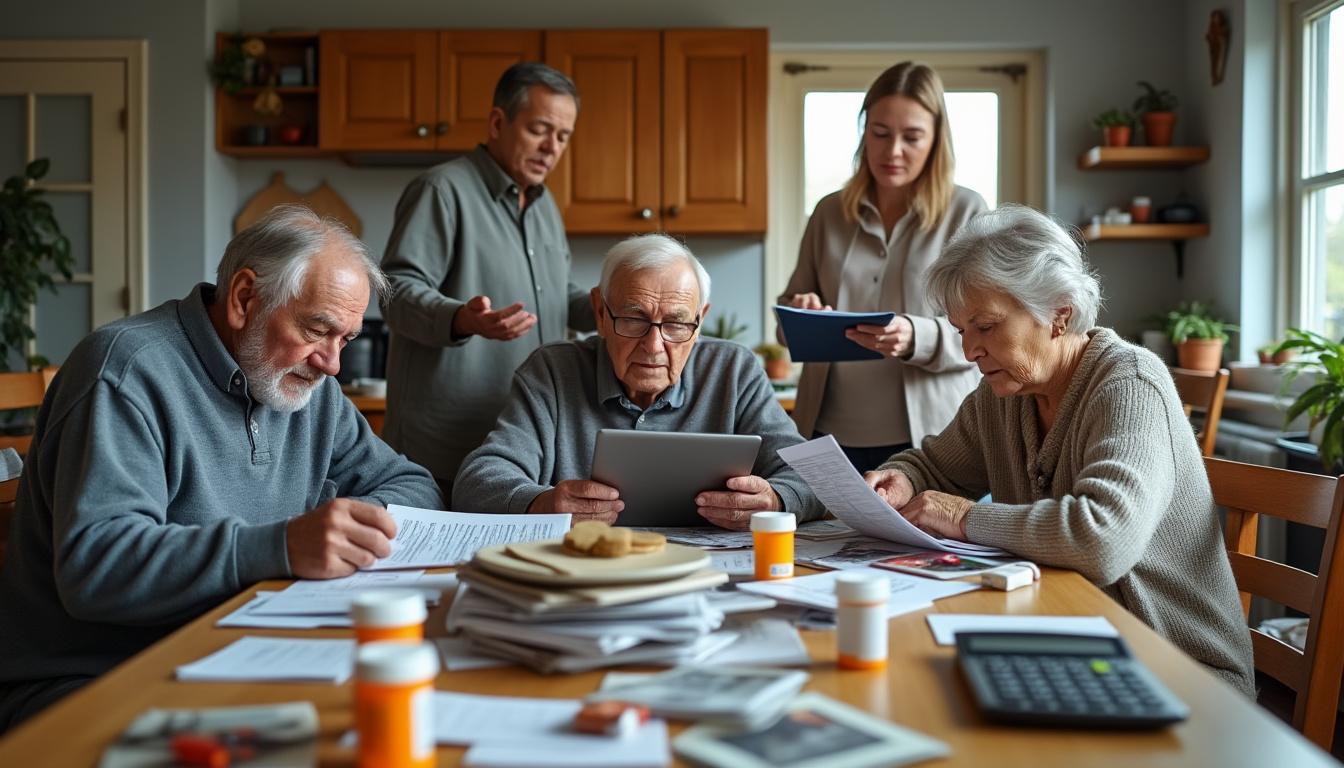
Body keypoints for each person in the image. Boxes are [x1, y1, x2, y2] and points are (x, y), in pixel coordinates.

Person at [0, 206, 443, 733]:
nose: (332, 364)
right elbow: (97, 566)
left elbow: (412, 484)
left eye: (344, 339)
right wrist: (282, 546)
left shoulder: (307, 387)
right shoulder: (124, 373)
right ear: (244, 298)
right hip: (95, 680)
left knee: (401, 713)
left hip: (236, 649)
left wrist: (351, 528)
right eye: (317, 329)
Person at [863, 205, 1255, 695]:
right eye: (962, 330)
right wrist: (902, 478)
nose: (968, 350)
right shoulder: (1002, 396)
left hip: (1177, 669)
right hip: (1076, 638)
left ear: (1058, 314)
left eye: (986, 326)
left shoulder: (1130, 383)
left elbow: (1103, 540)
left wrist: (965, 516)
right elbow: (934, 467)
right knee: (917, 682)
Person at [454, 234, 823, 529]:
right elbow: (476, 481)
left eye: (676, 323)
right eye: (633, 319)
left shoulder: (734, 370)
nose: (653, 346)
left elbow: (815, 477)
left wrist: (774, 500)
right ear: (600, 313)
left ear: (700, 321)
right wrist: (539, 503)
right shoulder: (552, 371)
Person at [380, 62, 596, 499]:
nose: (551, 148)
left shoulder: (545, 207)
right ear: (498, 123)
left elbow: (556, 295)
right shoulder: (441, 190)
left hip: (522, 450)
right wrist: (461, 318)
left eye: (563, 136)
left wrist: (615, 305)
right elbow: (395, 291)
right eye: (539, 130)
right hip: (442, 453)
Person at [779, 61, 985, 473]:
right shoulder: (828, 213)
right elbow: (784, 330)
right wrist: (800, 313)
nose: (893, 151)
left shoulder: (967, 211)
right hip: (827, 436)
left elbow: (987, 330)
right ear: (864, 132)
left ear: (936, 140)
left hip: (932, 440)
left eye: (912, 137)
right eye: (880, 133)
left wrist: (916, 336)